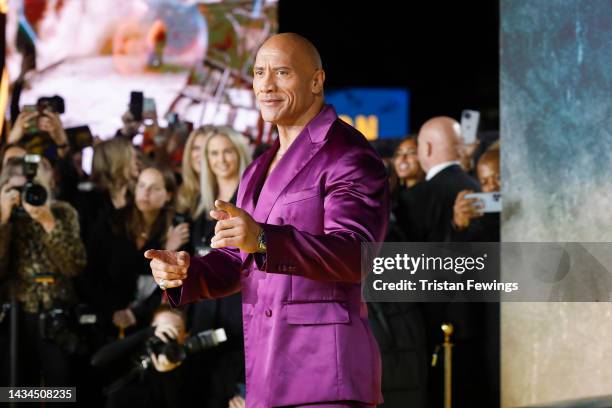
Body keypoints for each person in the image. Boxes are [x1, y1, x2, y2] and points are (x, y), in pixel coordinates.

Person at [146, 33, 388, 407]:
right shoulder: (258, 167)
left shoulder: (348, 154)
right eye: (259, 72)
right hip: (266, 370)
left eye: (283, 72)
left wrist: (261, 239)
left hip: (327, 373)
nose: (266, 85)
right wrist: (186, 272)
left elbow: (358, 255)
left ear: (316, 81)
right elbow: (236, 261)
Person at [0, 155, 86, 386]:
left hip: (57, 313)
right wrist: (3, 221)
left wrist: (49, 223)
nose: (24, 194)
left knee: (61, 387)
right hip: (16, 314)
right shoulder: (4, 216)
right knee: (16, 386)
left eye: (29, 187)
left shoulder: (62, 212)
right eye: (17, 189)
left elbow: (74, 265)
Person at [86, 165, 186, 340]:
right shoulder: (112, 222)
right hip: (107, 316)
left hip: (152, 319)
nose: (145, 193)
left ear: (169, 195)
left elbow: (173, 284)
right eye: (141, 185)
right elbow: (93, 273)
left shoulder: (177, 229)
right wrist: (114, 310)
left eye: (154, 188)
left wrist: (136, 313)